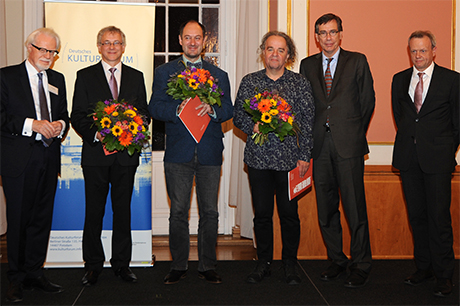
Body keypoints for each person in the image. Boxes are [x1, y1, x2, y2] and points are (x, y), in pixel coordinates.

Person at [149, 20, 233, 285]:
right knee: (178, 213)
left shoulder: (219, 75)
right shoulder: (164, 72)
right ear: (180, 40)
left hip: (209, 151)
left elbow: (229, 110)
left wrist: (214, 110)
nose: (193, 43)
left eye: (197, 38)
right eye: (188, 38)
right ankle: (178, 265)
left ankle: (207, 265)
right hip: (178, 153)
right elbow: (154, 107)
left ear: (204, 41)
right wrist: (177, 109)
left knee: (210, 212)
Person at [299, 13, 375, 288]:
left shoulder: (357, 60)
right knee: (326, 208)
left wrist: (351, 131)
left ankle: (361, 263)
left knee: (355, 207)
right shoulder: (307, 65)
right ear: (316, 37)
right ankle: (337, 260)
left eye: (332, 32)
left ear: (341, 34)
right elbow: (306, 106)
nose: (328, 37)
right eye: (322, 32)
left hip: (348, 145)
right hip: (319, 147)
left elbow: (367, 101)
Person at [233, 31, 314, 285]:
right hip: (258, 161)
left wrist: (305, 156)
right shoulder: (250, 82)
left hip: (290, 162)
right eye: (270, 49)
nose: (275, 54)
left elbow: (307, 122)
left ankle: (290, 263)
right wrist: (252, 126)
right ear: (263, 52)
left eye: (280, 50)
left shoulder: (299, 83)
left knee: (289, 214)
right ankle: (263, 263)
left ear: (288, 55)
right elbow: (238, 116)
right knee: (262, 215)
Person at [71, 26, 149, 286]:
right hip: (95, 156)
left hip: (125, 157)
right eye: (107, 42)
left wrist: (135, 128)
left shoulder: (136, 77)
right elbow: (77, 115)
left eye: (117, 42)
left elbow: (145, 114)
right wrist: (98, 134)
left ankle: (122, 265)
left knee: (122, 211)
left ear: (124, 47)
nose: (112, 47)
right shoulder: (85, 76)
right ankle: (93, 265)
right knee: (94, 212)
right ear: (99, 46)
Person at [0, 27, 69, 302]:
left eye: (52, 51)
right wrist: (33, 125)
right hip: (19, 160)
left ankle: (35, 273)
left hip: (48, 157)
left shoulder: (57, 79)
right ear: (29, 47)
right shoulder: (6, 77)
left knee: (41, 219)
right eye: (43, 49)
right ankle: (15, 277)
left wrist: (60, 125)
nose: (48, 56)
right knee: (18, 220)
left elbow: (64, 114)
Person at [392, 31, 459, 298]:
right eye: (413, 51)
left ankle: (444, 275)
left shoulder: (452, 80)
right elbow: (403, 118)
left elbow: (457, 123)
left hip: (438, 161)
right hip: (409, 159)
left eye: (423, 50)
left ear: (433, 50)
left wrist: (442, 148)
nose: (418, 56)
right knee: (417, 217)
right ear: (409, 52)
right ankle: (424, 268)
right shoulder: (399, 80)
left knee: (439, 219)